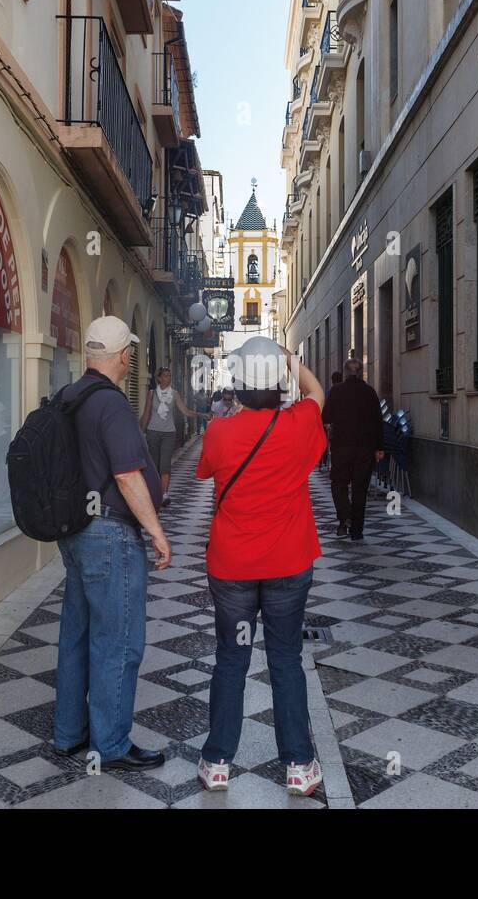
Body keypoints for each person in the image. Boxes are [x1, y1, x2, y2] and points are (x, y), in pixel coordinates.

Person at [194, 337, 327, 797]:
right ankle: (298, 766)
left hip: (232, 567)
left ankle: (216, 763)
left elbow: (206, 471)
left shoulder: (220, 432)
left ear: (238, 385)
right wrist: (293, 363)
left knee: (231, 659)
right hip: (288, 563)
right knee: (286, 660)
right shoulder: (299, 422)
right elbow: (317, 395)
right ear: (277, 384)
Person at [52, 316, 172, 772]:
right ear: (124, 356)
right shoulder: (112, 405)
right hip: (110, 536)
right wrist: (157, 532)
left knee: (76, 636)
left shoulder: (69, 396)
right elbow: (126, 475)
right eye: (130, 353)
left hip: (76, 533)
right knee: (118, 641)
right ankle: (112, 743)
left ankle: (68, 734)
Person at [321, 357, 383, 541]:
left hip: (341, 446)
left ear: (346, 373)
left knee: (338, 483)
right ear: (360, 373)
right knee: (359, 488)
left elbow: (325, 416)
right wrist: (380, 448)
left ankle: (344, 515)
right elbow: (378, 421)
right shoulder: (370, 392)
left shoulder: (336, 391)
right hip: (365, 448)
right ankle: (357, 531)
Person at [140, 366, 208, 507]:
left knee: (165, 465)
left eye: (169, 376)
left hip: (169, 433)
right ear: (158, 378)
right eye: (165, 375)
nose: (168, 378)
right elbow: (146, 413)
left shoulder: (175, 394)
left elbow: (185, 411)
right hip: (152, 432)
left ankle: (164, 494)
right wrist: (140, 431)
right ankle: (154, 492)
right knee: (154, 464)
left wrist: (201, 415)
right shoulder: (152, 394)